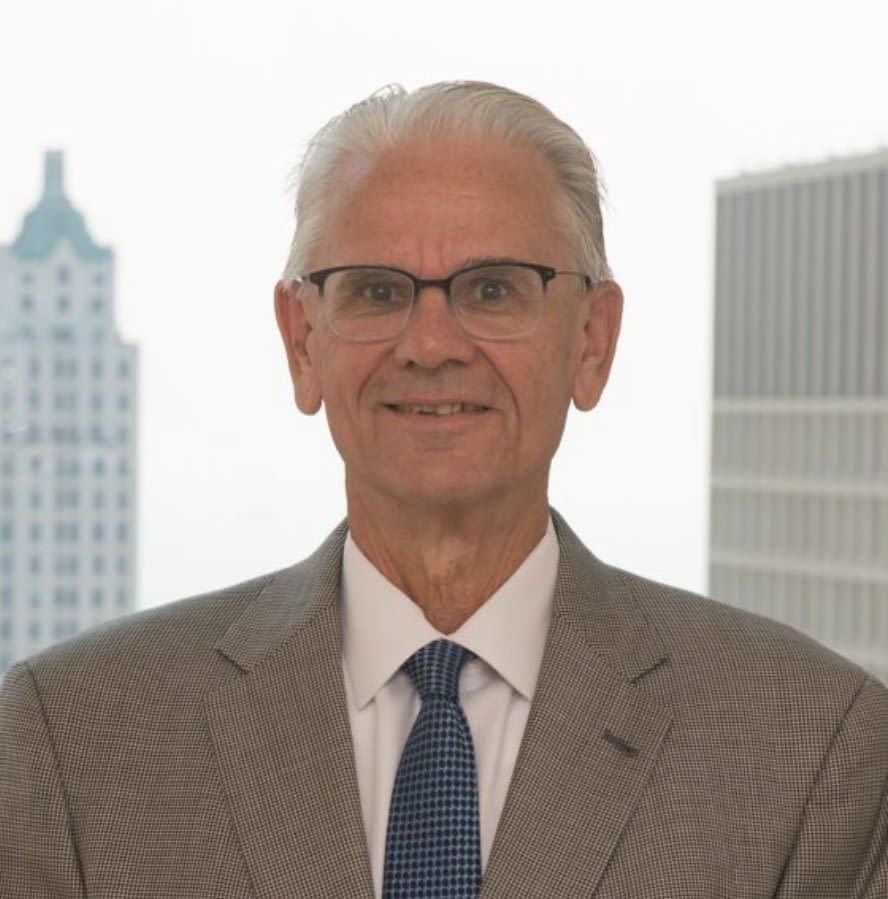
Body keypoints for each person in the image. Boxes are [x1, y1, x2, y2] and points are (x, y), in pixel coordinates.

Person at [1, 81, 886, 899]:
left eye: (493, 289)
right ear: (302, 341)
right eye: (377, 291)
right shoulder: (71, 739)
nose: (430, 344)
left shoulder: (813, 747)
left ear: (592, 340)